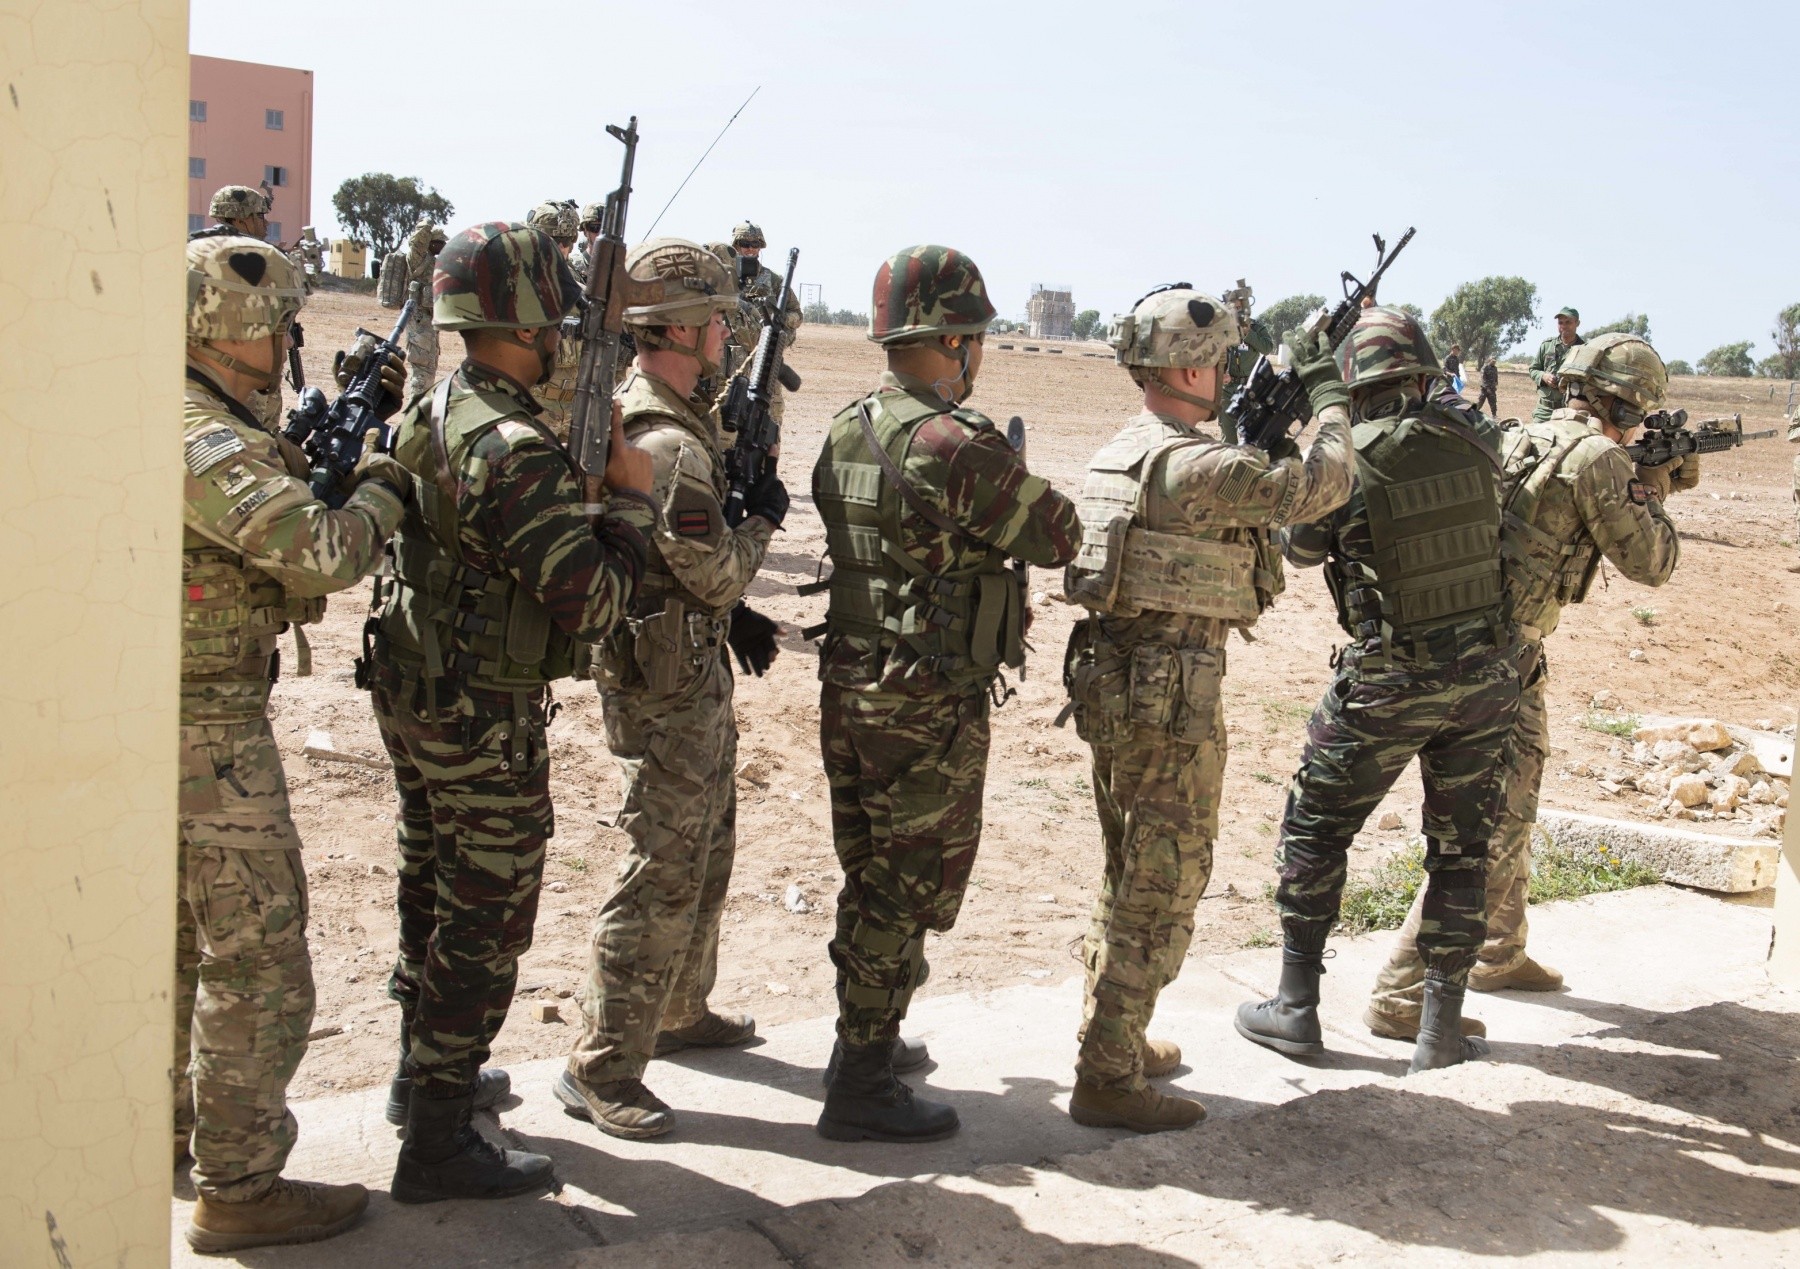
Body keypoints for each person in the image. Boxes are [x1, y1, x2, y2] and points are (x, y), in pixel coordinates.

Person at [362, 221, 656, 1203]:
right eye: (555, 318)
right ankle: (438, 1140)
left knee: (429, 885)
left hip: (413, 689)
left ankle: (420, 1077)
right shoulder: (516, 449)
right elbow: (595, 605)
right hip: (481, 712)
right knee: (483, 921)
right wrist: (630, 502)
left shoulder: (436, 406)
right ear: (529, 322)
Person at [1061, 286, 1354, 1132]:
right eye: (1220, 359)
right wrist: (1329, 395)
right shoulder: (1200, 467)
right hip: (1170, 704)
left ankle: (1111, 1032)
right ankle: (1107, 1074)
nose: (1227, 372)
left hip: (1119, 690)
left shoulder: (1124, 452)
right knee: (1164, 879)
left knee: (1127, 869)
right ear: (1187, 368)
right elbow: (1327, 483)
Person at [811, 245, 1080, 1142]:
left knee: (869, 869)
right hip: (924, 694)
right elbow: (1059, 533)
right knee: (906, 882)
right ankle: (861, 1081)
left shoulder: (846, 427)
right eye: (977, 340)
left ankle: (865, 1036)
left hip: (851, 679)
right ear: (954, 341)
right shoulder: (955, 444)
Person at [177, 234, 410, 1252]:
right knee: (260, 959)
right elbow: (321, 550)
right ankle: (239, 1187)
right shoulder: (198, 438)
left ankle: (173, 1132)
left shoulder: (206, 420)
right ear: (238, 331)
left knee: (176, 946)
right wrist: (385, 483)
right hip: (206, 732)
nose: (286, 343)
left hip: (172, 718)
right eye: (280, 327)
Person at [1367, 333, 1691, 1026]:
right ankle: (1400, 992)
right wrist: (1657, 485)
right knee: (1490, 824)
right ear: (1626, 406)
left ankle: (1497, 948)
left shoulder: (1520, 433)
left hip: (1484, 642)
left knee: (1517, 796)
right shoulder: (1600, 458)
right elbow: (1654, 562)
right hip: (1497, 660)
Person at [1234, 307, 1520, 1074]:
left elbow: (1300, 548)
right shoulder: (1479, 439)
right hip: (1485, 679)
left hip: (1390, 678)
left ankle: (1296, 1008)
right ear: (1423, 375)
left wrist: (1292, 445)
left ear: (1354, 386)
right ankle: (1438, 1030)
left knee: (1316, 830)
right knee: (1462, 851)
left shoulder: (1351, 459)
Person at [560, 238, 788, 1140]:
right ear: (685, 331)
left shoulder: (675, 424)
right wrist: (761, 523)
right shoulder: (671, 446)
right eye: (718, 322)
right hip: (664, 690)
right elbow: (719, 570)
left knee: (707, 851)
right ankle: (601, 1065)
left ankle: (681, 1007)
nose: (729, 336)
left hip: (687, 670)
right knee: (660, 869)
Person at [723, 221, 803, 421]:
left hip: (765, 362)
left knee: (768, 421)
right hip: (730, 366)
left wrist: (781, 324)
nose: (750, 249)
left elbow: (796, 314)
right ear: (735, 246)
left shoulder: (774, 280)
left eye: (755, 244)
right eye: (745, 244)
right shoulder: (723, 279)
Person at [526, 200, 583, 435]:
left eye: (567, 240)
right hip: (531, 413)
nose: (561, 247)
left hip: (574, 415)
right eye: (553, 240)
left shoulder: (584, 296)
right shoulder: (513, 292)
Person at [380, 218, 450, 403]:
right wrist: (427, 223)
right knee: (422, 368)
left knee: (429, 366)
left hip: (428, 319)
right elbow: (418, 240)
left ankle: (421, 405)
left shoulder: (434, 262)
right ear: (430, 243)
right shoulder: (418, 258)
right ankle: (416, 407)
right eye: (440, 242)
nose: (443, 246)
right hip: (418, 319)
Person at [1529, 307, 1585, 421]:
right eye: (1560, 323)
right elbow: (1533, 369)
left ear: (1577, 323)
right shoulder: (1547, 345)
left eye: (1568, 322)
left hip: (1569, 412)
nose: (1563, 326)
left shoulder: (1584, 350)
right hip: (1544, 410)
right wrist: (1544, 376)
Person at [194, 185, 270, 240]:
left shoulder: (198, 246)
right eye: (260, 216)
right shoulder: (262, 251)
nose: (266, 223)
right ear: (239, 220)